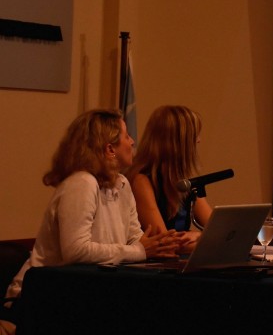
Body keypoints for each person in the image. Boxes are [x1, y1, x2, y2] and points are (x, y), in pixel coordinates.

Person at [2, 109, 178, 334]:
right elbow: (76, 251)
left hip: (81, 293)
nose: (133, 141)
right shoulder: (82, 183)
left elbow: (133, 237)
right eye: (126, 136)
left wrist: (160, 245)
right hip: (41, 298)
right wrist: (141, 250)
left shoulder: (122, 183)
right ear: (110, 149)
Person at [127, 105, 212, 253]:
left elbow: (218, 229)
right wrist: (206, 239)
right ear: (180, 143)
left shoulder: (185, 181)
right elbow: (165, 243)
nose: (199, 141)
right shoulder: (141, 181)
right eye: (194, 135)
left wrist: (199, 235)